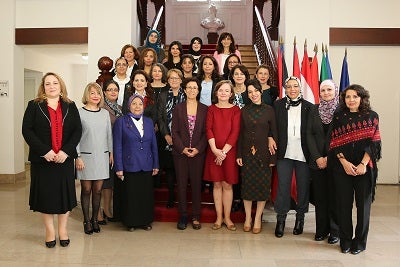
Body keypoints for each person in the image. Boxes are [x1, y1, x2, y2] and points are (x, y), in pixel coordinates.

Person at [22, 72, 82, 248]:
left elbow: (77, 131)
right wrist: (44, 151)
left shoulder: (71, 106)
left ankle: (63, 230)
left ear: (61, 85)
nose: (52, 86)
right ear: (43, 87)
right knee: (46, 198)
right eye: (47, 84)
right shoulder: (34, 106)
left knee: (64, 198)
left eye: (55, 83)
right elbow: (27, 131)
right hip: (43, 161)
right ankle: (49, 231)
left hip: (64, 160)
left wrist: (66, 151)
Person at [328, 84, 381, 255]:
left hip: (364, 169)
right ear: (343, 99)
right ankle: (345, 241)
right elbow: (334, 143)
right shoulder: (338, 117)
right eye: (348, 97)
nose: (351, 100)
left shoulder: (372, 116)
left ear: (362, 98)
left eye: (355, 96)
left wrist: (363, 164)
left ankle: (359, 242)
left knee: (363, 207)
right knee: (343, 205)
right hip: (342, 167)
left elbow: (375, 143)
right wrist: (344, 163)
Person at [272, 76, 314, 238]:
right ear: (285, 89)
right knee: (283, 187)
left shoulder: (310, 107)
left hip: (304, 153)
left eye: (295, 86)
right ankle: (281, 220)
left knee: (303, 187)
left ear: (300, 88)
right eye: (288, 86)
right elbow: (272, 127)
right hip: (284, 153)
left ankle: (300, 218)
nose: (292, 89)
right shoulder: (278, 106)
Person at [236, 78, 277, 234]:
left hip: (264, 156)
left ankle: (258, 217)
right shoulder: (244, 110)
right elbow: (240, 134)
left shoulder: (269, 110)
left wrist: (273, 158)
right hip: (247, 154)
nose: (253, 94)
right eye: (250, 92)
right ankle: (248, 217)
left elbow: (274, 134)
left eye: (255, 91)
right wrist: (239, 154)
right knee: (247, 187)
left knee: (262, 187)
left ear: (261, 91)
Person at [113, 94, 159, 231]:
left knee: (145, 195)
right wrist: (119, 167)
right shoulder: (121, 121)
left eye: (140, 104)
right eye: (134, 104)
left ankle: (145, 221)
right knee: (131, 195)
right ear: (129, 106)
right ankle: (131, 222)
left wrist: (156, 164)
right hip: (130, 164)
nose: (137, 106)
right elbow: (118, 146)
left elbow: (153, 144)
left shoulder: (149, 122)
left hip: (146, 164)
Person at [76, 82, 113, 235]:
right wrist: (77, 156)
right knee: (86, 190)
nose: (96, 96)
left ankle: (95, 220)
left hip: (102, 156)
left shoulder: (104, 113)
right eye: (92, 93)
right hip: (85, 157)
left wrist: (111, 152)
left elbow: (108, 134)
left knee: (98, 190)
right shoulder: (79, 112)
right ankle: (86, 221)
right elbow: (75, 136)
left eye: (98, 93)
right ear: (87, 95)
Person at [203, 80, 241, 231]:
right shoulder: (211, 109)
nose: (223, 93)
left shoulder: (236, 110)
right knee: (217, 184)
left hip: (229, 153)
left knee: (227, 184)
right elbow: (209, 129)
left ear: (231, 94)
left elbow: (235, 132)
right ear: (216, 92)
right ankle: (219, 217)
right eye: (221, 90)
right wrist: (214, 150)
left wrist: (223, 152)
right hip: (213, 152)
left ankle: (227, 217)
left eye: (226, 91)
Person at [171, 77, 208, 230]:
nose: (192, 90)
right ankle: (183, 215)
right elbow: (175, 132)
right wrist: (183, 148)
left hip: (198, 154)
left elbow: (207, 133)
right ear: (184, 90)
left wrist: (198, 148)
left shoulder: (205, 109)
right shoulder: (178, 108)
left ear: (198, 91)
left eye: (195, 88)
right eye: (189, 88)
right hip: (181, 153)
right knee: (181, 185)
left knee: (196, 184)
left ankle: (196, 216)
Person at [306, 79, 340, 244]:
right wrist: (318, 157)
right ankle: (321, 230)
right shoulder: (314, 109)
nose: (326, 93)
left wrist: (329, 157)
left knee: (335, 196)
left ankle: (335, 231)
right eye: (323, 90)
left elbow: (341, 137)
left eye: (329, 90)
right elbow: (309, 134)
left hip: (336, 161)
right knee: (320, 198)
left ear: (335, 91)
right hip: (317, 161)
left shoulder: (342, 110)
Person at [157, 69, 186, 208]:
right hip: (167, 139)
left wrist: (180, 138)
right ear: (167, 81)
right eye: (171, 78)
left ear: (181, 80)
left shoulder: (187, 95)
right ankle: (170, 196)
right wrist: (166, 135)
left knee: (181, 170)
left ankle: (181, 197)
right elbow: (160, 118)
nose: (174, 80)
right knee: (169, 169)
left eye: (176, 78)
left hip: (184, 139)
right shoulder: (162, 95)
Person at [97, 80, 123, 224]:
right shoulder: (102, 108)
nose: (113, 92)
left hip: (116, 149)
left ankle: (107, 210)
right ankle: (99, 212)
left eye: (116, 90)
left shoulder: (119, 108)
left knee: (110, 183)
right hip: (104, 150)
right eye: (110, 90)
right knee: (101, 183)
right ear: (105, 92)